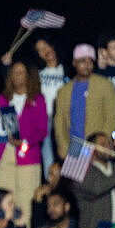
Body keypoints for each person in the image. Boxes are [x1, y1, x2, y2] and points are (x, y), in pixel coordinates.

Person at [0, 62, 49, 228]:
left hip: (27, 156)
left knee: (25, 201)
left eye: (20, 72)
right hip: (4, 156)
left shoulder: (37, 99)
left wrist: (24, 142)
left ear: (28, 75)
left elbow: (42, 130)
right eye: (13, 72)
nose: (16, 76)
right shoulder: (3, 99)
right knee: (3, 201)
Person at [53, 43, 115, 160]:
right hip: (73, 147)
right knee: (74, 178)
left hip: (96, 148)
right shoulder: (64, 91)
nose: (86, 65)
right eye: (82, 61)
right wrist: (63, 148)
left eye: (90, 61)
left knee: (97, 178)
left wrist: (102, 145)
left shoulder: (105, 85)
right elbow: (59, 121)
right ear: (74, 63)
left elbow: (111, 116)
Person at [33, 35, 68, 174]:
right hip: (45, 117)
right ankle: (50, 179)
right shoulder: (37, 74)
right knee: (46, 149)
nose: (45, 51)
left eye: (46, 46)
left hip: (64, 118)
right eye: (40, 50)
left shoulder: (67, 69)